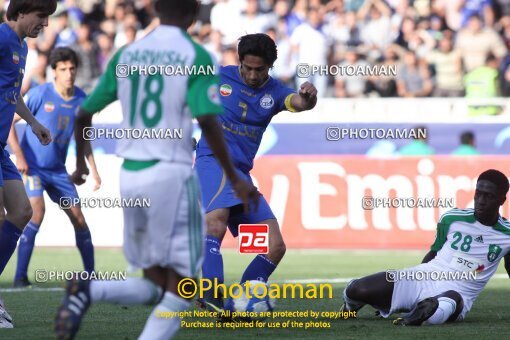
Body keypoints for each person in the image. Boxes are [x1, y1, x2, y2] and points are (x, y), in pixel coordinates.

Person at [54, 1, 259, 339]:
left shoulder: (126, 55)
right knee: (185, 289)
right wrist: (235, 177)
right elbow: (207, 119)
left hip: (131, 178)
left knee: (154, 285)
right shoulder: (196, 56)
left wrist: (78, 164)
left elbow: (82, 114)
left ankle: (88, 290)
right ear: (194, 14)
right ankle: (90, 292)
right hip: (171, 178)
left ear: (155, 10)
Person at [195, 33, 318, 312]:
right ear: (239, 62)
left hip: (240, 174)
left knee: (274, 247)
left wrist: (308, 99)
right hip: (211, 161)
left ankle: (241, 303)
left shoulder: (275, 92)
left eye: (259, 69)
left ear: (270, 67)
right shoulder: (217, 76)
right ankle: (211, 293)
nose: (251, 75)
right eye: (247, 68)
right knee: (216, 221)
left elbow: (299, 104)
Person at [341, 169, 510, 326]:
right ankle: (349, 308)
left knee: (449, 299)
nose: (481, 201)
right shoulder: (452, 218)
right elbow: (434, 253)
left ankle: (416, 316)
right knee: (358, 289)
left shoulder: (507, 235)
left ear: (502, 200)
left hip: (458, 293)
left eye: (489, 196)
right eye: (478, 194)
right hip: (423, 277)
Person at [8, 47, 100, 288]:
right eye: (63, 69)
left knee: (79, 218)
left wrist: (88, 168)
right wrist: (19, 156)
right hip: (33, 168)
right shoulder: (40, 94)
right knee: (36, 212)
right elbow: (8, 123)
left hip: (58, 171)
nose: (69, 73)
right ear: (54, 72)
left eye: (72, 68)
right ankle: (19, 278)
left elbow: (83, 137)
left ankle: (91, 275)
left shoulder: (82, 100)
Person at [0, 0, 56, 328]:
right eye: (41, 16)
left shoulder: (19, 45)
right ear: (21, 12)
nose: (45, 24)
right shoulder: (2, 38)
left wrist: (33, 123)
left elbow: (11, 92)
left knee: (23, 213)